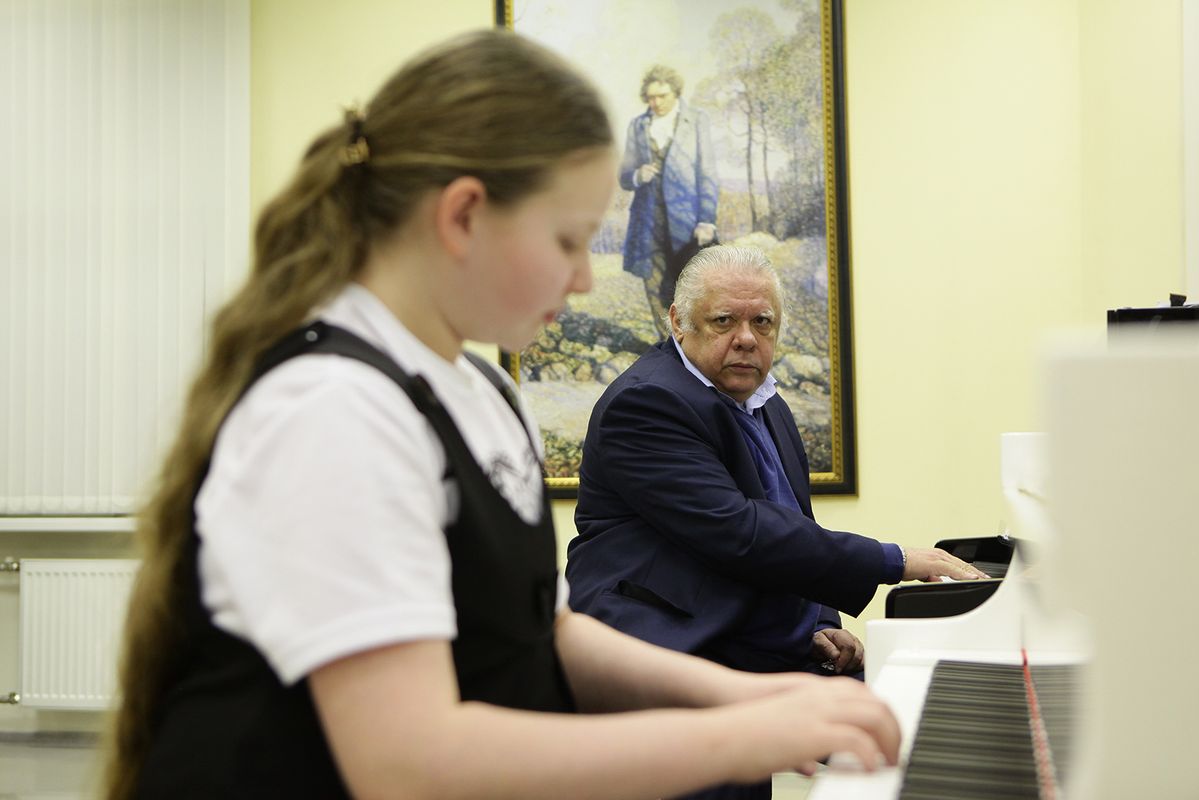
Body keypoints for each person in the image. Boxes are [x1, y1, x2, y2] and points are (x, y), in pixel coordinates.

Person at [101, 31, 900, 800]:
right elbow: (406, 765)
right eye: (568, 240)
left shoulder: (479, 390)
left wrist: (748, 696)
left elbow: (546, 632)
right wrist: (741, 736)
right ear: (463, 216)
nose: (583, 279)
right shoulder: (333, 409)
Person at [567, 244, 988, 798]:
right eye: (724, 321)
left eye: (762, 322)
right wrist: (895, 560)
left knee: (923, 724)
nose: (746, 338)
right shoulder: (647, 403)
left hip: (745, 647)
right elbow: (741, 532)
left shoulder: (766, 403)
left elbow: (792, 518)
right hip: (668, 658)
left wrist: (819, 621)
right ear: (678, 322)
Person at [621, 64, 719, 337]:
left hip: (687, 224)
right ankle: (668, 347)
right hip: (647, 223)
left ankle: (695, 348)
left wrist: (707, 219)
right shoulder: (638, 126)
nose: (656, 103)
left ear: (675, 92)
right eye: (651, 97)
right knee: (653, 286)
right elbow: (624, 176)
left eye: (662, 96)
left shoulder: (697, 120)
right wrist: (637, 175)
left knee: (689, 289)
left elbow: (707, 173)